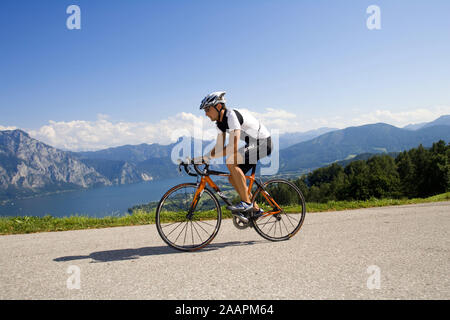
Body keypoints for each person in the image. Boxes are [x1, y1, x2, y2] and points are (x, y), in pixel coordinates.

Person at [194, 91, 272, 223]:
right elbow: (219, 147)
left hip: (263, 143)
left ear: (218, 107)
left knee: (231, 160)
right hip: (252, 144)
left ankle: (247, 203)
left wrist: (207, 157)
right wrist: (204, 157)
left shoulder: (231, 116)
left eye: (208, 109)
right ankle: (255, 209)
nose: (206, 113)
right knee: (232, 178)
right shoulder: (220, 123)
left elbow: (232, 147)